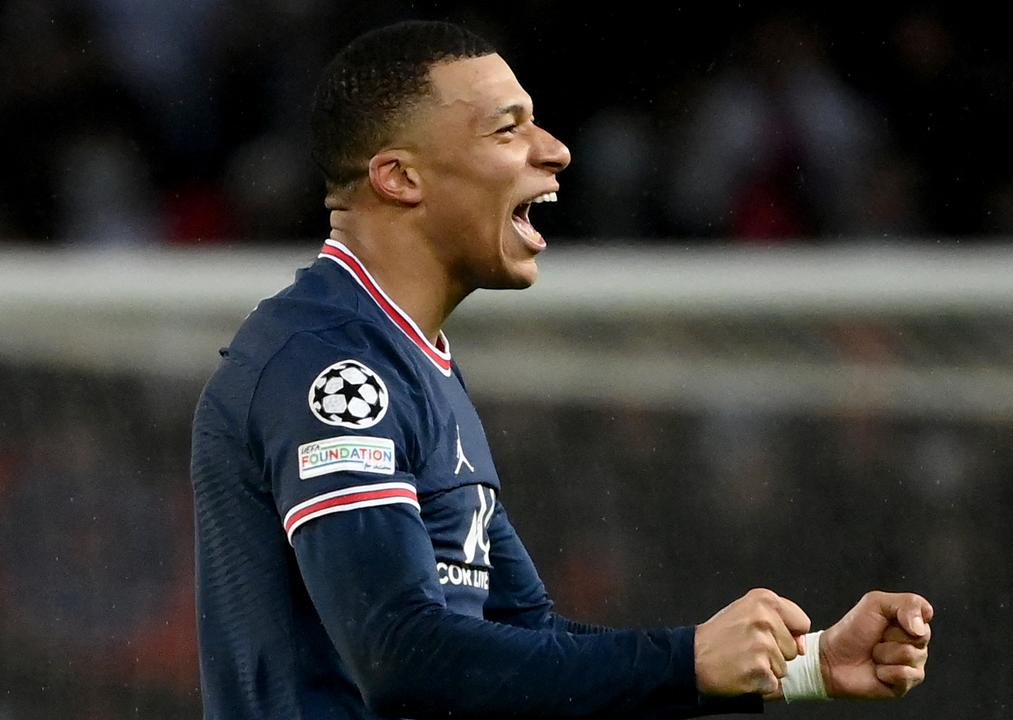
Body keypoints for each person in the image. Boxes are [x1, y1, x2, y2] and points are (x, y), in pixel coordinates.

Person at [190, 20, 932, 719]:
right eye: (508, 127)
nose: (554, 150)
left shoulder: (411, 360)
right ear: (398, 177)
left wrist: (798, 666)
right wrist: (686, 660)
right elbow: (398, 652)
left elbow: (527, 638)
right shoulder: (330, 366)